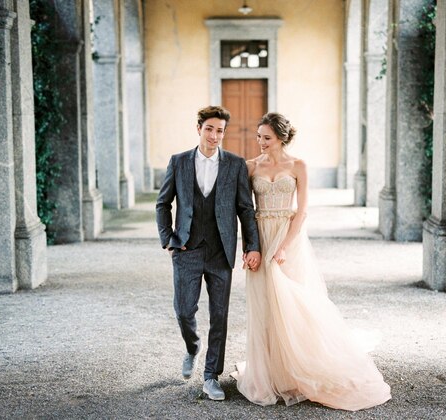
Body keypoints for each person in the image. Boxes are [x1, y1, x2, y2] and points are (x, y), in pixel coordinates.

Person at [231, 112, 391, 411]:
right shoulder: (250, 166)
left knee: (293, 304)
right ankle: (270, 373)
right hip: (261, 238)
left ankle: (298, 368)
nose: (260, 142)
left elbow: (302, 211)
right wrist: (252, 247)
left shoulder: (298, 166)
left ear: (280, 137)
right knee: (265, 305)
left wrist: (284, 247)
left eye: (266, 137)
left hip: (289, 238)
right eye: (258, 137)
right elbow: (243, 211)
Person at [156, 105, 261, 401]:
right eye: (210, 129)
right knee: (183, 310)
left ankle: (211, 376)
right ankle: (192, 347)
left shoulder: (235, 165)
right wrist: (168, 239)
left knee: (220, 315)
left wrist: (252, 246)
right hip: (186, 249)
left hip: (220, 252)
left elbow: (245, 208)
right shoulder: (178, 162)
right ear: (199, 128)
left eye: (220, 131)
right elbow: (163, 204)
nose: (215, 136)